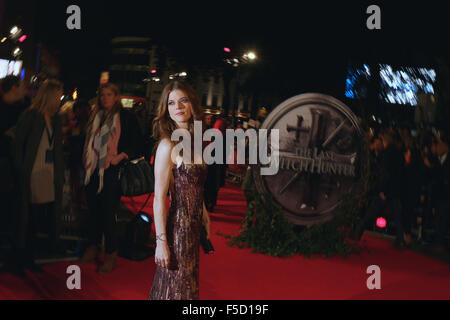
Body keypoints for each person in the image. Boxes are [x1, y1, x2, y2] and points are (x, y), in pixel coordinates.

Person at [149, 80, 211, 300]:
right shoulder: (168, 145)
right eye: (172, 103)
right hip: (177, 230)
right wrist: (161, 242)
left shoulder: (196, 141)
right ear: (166, 109)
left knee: (187, 285)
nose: (178, 107)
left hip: (193, 228)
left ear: (192, 103)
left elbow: (194, 184)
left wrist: (203, 212)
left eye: (183, 100)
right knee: (174, 288)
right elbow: (159, 198)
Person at [78, 83, 143, 273]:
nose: (105, 98)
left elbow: (138, 144)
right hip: (92, 170)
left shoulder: (125, 117)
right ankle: (93, 246)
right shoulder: (95, 116)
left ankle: (111, 254)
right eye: (102, 95)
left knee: (107, 212)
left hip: (112, 170)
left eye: (108, 95)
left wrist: (120, 156)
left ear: (116, 97)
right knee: (93, 211)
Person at [8, 79, 65, 277]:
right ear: (50, 95)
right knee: (24, 218)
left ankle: (29, 259)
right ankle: (18, 261)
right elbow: (17, 145)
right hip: (31, 172)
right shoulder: (31, 115)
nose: (60, 98)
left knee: (36, 219)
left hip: (48, 173)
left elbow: (56, 148)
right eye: (58, 95)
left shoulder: (56, 118)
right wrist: (22, 170)